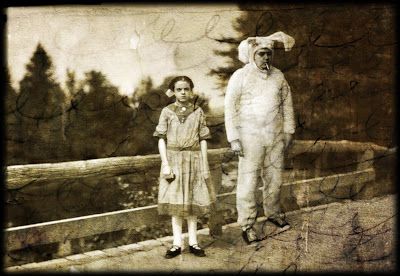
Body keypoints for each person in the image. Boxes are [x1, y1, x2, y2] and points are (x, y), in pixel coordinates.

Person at [224, 31, 296, 244]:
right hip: (249, 136)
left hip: (274, 135)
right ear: (252, 55)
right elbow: (230, 106)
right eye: (261, 54)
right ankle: (247, 224)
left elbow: (287, 105)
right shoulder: (241, 76)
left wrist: (289, 131)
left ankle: (273, 214)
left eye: (269, 54)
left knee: (274, 178)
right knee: (248, 181)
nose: (266, 58)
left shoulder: (278, 76)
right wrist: (234, 138)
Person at [154, 76, 215, 258]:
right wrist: (165, 163)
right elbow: (161, 139)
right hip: (173, 161)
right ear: (173, 91)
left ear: (191, 91)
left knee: (191, 201)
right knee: (176, 203)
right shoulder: (167, 111)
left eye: (186, 89)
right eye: (179, 89)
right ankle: (176, 243)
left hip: (194, 160)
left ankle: (194, 242)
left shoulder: (198, 112)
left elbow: (203, 140)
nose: (183, 93)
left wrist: (204, 164)